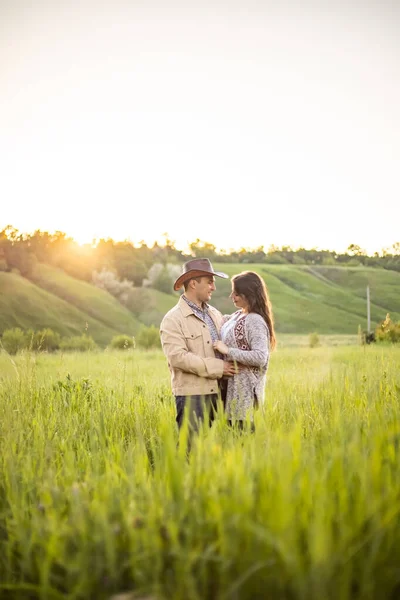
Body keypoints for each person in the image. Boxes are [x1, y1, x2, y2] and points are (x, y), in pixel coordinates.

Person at [160, 258, 238, 438]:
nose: (213, 287)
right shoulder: (173, 319)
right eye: (210, 282)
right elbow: (178, 358)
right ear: (194, 283)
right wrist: (220, 368)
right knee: (191, 453)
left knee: (215, 453)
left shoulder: (215, 314)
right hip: (192, 397)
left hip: (220, 393)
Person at [213, 271, 276, 429]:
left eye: (236, 293)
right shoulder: (237, 315)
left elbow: (261, 356)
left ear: (248, 294)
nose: (232, 296)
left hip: (245, 395)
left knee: (242, 440)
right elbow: (219, 319)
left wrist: (228, 351)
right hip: (232, 391)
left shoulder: (255, 321)